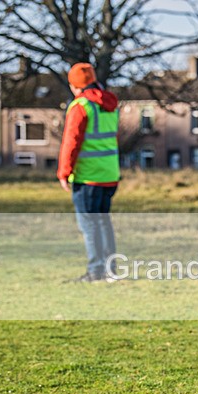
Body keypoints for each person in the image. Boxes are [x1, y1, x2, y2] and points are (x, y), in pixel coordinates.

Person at [57, 62, 121, 282]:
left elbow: (71, 142)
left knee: (89, 224)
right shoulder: (110, 105)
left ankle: (96, 270)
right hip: (110, 174)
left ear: (75, 86)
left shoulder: (80, 106)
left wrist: (64, 172)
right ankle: (111, 269)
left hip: (88, 176)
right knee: (103, 221)